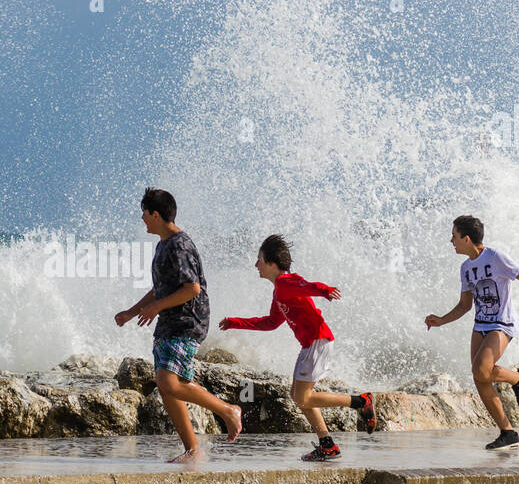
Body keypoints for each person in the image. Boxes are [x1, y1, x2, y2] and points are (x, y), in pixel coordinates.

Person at [218, 234, 377, 462]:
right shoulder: (278, 291)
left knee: (303, 398)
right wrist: (235, 322)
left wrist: (324, 290)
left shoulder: (285, 282)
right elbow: (270, 323)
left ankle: (361, 402)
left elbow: (305, 285)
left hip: (317, 341)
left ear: (272, 263)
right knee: (298, 396)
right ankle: (327, 444)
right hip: (310, 344)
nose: (256, 265)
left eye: (259, 259)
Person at [115, 188, 242, 463]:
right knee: (170, 385)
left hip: (187, 321)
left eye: (145, 213)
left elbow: (192, 289)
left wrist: (156, 308)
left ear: (156, 214)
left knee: (168, 381)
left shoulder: (180, 244)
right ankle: (193, 450)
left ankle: (228, 410)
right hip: (169, 321)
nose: (142, 218)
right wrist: (131, 312)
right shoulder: (164, 244)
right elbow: (160, 289)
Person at [424, 215, 519, 450]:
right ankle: (507, 432)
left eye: (454, 236)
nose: (451, 241)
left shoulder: (495, 257)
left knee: (481, 369)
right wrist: (441, 321)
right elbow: (465, 306)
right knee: (480, 377)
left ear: (466, 238)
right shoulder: (466, 268)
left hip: (502, 324)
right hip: (480, 325)